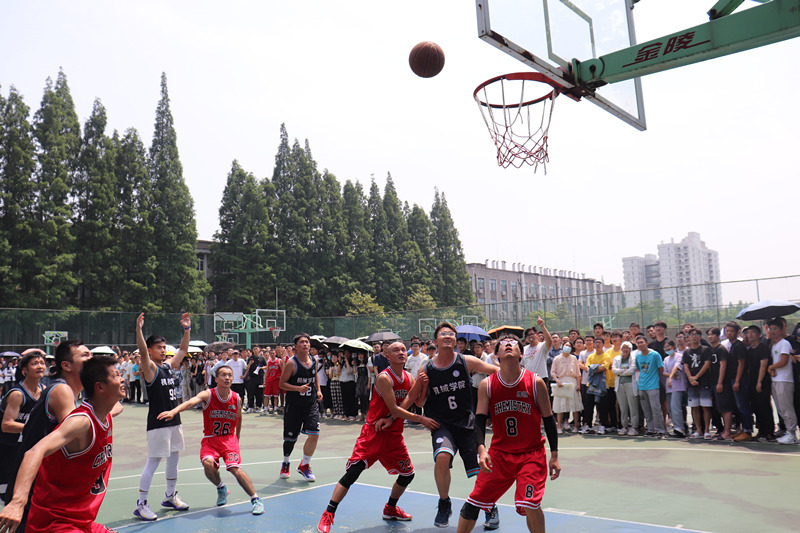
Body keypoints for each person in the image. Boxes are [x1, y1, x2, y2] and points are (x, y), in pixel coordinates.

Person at [316, 341, 439, 533]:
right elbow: (394, 408)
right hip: (374, 434)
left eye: (403, 350)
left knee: (408, 474)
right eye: (396, 350)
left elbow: (416, 401)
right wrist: (420, 419)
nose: (401, 352)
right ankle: (328, 513)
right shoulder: (384, 378)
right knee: (353, 473)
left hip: (394, 436)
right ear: (387, 356)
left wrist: (424, 385)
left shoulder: (409, 377)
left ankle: (390, 508)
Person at [0, 355, 125, 533]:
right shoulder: (81, 422)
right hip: (55, 522)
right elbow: (34, 452)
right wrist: (17, 502)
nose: (122, 379)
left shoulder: (105, 415)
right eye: (116, 376)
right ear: (99, 387)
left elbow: (116, 407)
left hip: (82, 521)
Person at [456, 333, 560, 533]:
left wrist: (554, 456)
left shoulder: (535, 382)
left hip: (531, 454)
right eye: (503, 344)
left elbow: (549, 420)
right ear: (496, 355)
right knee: (473, 503)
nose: (509, 345)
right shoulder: (487, 384)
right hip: (499, 455)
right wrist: (481, 450)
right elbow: (479, 420)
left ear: (521, 354)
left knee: (530, 504)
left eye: (514, 343)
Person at [416, 322, 500, 529]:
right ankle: (444, 503)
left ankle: (490, 506)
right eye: (443, 333)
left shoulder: (465, 361)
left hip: (467, 423)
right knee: (442, 458)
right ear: (435, 341)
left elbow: (495, 371)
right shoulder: (426, 368)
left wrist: (517, 373)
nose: (448, 336)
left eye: (451, 334)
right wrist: (424, 385)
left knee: (481, 467)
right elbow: (419, 402)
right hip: (442, 424)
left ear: (455, 340)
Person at [156, 364, 264, 515]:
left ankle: (256, 499)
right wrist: (174, 411)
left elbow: (239, 418)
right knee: (207, 464)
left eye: (230, 375)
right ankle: (221, 487)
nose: (227, 378)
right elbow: (191, 401)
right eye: (223, 375)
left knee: (234, 468)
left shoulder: (236, 398)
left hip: (229, 440)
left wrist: (237, 437)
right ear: (216, 379)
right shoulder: (208, 395)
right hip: (211, 439)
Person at [133, 313, 192, 521]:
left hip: (174, 420)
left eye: (164, 347)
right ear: (150, 350)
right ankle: (141, 504)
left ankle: (170, 496)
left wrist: (187, 329)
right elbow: (142, 351)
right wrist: (139, 330)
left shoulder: (167, 366)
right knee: (153, 462)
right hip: (158, 423)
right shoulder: (151, 369)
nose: (163, 350)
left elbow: (183, 350)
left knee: (174, 459)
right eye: (159, 347)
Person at [0, 353, 46, 495]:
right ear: (25, 370)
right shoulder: (18, 394)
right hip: (7, 448)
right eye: (34, 363)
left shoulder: (45, 390)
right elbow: (6, 425)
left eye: (42, 363)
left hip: (26, 447)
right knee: (6, 492)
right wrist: (34, 428)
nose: (40, 366)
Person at [279, 333, 323, 480]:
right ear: (296, 347)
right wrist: (297, 388)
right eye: (302, 342)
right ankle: (286, 462)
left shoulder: (313, 360)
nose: (305, 344)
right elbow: (282, 384)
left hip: (310, 404)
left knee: (314, 434)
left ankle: (305, 465)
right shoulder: (292, 363)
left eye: (307, 342)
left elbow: (315, 375)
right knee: (290, 439)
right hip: (294, 406)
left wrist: (318, 390)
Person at [765, 318, 798, 444]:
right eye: (770, 329)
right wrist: (772, 369)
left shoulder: (784, 343)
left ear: (781, 330)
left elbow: (783, 361)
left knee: (786, 408)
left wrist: (771, 367)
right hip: (776, 380)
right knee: (781, 409)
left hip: (785, 380)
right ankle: (788, 432)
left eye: (775, 329)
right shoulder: (773, 345)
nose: (772, 331)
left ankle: (792, 434)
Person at [683, 328, 713, 439]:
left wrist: (696, 377)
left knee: (705, 407)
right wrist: (691, 378)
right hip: (691, 384)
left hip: (704, 382)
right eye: (692, 335)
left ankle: (707, 431)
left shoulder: (705, 349)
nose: (694, 336)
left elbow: (707, 364)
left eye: (696, 334)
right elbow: (685, 366)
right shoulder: (687, 352)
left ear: (700, 337)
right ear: (689, 337)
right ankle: (698, 430)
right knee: (694, 407)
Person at [549, 340, 582, 434]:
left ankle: (575, 426)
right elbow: (553, 372)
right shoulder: (557, 358)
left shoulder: (574, 358)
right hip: (561, 382)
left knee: (575, 406)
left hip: (572, 382)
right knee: (560, 406)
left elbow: (578, 373)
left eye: (569, 346)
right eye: (566, 345)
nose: (567, 347)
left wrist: (578, 385)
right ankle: (559, 426)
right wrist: (557, 380)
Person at [635, 335, 665, 437]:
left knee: (656, 408)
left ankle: (660, 430)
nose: (640, 344)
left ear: (646, 343)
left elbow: (660, 369)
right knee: (646, 410)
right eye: (638, 343)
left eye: (641, 342)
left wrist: (655, 379)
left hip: (653, 386)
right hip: (642, 386)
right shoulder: (638, 356)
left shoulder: (655, 355)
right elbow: (639, 369)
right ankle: (650, 429)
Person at [612, 341, 639, 436]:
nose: (625, 349)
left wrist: (620, 372)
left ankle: (634, 427)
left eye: (627, 348)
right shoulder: (617, 358)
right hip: (619, 385)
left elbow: (632, 370)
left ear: (630, 349)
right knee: (622, 407)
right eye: (624, 348)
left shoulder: (633, 358)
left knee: (632, 406)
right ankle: (624, 426)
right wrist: (623, 371)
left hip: (630, 384)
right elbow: (614, 370)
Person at [664, 340, 687, 438]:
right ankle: (676, 427)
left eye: (669, 346)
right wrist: (671, 376)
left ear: (673, 347)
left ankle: (680, 428)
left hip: (678, 386)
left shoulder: (679, 356)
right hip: (669, 387)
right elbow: (664, 372)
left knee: (675, 407)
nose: (667, 349)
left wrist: (670, 377)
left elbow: (676, 367)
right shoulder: (666, 359)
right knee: (670, 408)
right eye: (665, 347)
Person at [263, 348, 283, 414]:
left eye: (273, 353)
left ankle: (275, 409)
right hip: (269, 380)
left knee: (276, 396)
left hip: (276, 380)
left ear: (275, 354)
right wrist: (265, 380)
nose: (272, 354)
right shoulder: (268, 361)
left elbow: (283, 370)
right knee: (266, 395)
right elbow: (267, 371)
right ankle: (266, 409)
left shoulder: (279, 361)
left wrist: (281, 378)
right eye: (271, 353)